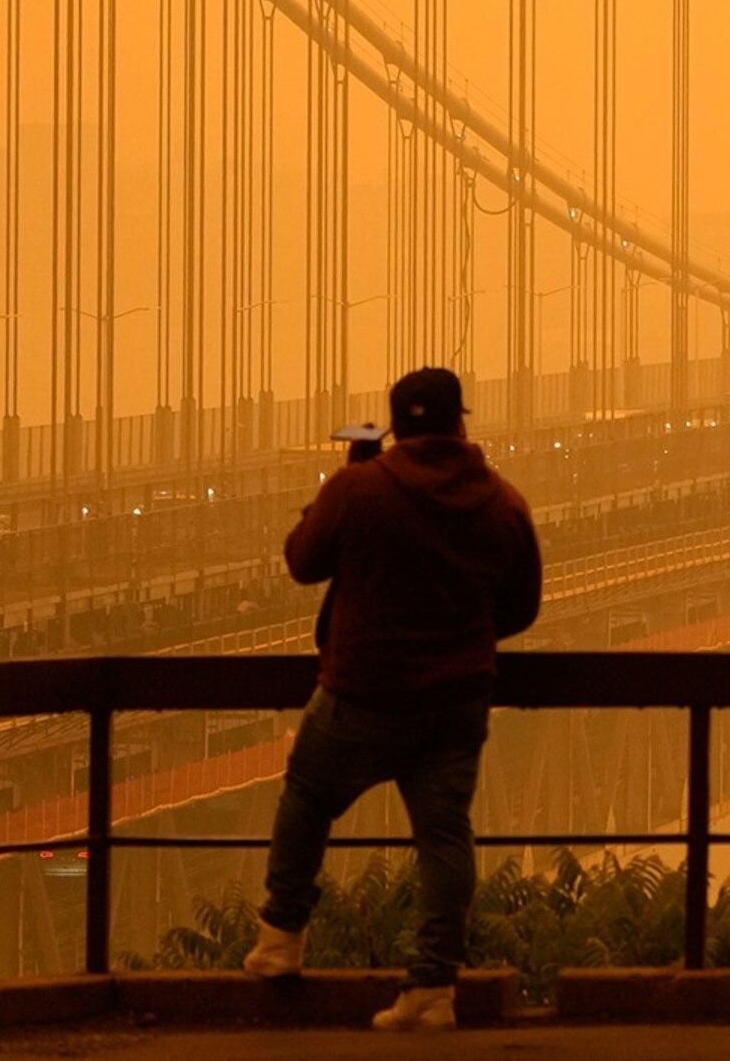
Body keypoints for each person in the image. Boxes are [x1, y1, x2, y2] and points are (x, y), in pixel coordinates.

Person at [243, 368, 543, 1031]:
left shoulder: (359, 489)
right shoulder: (504, 502)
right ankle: (433, 990)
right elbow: (522, 608)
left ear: (394, 427)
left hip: (361, 694)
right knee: (444, 837)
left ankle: (280, 942)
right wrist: (459, 637)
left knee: (306, 799)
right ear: (460, 423)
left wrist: (342, 481)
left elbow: (302, 561)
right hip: (457, 701)